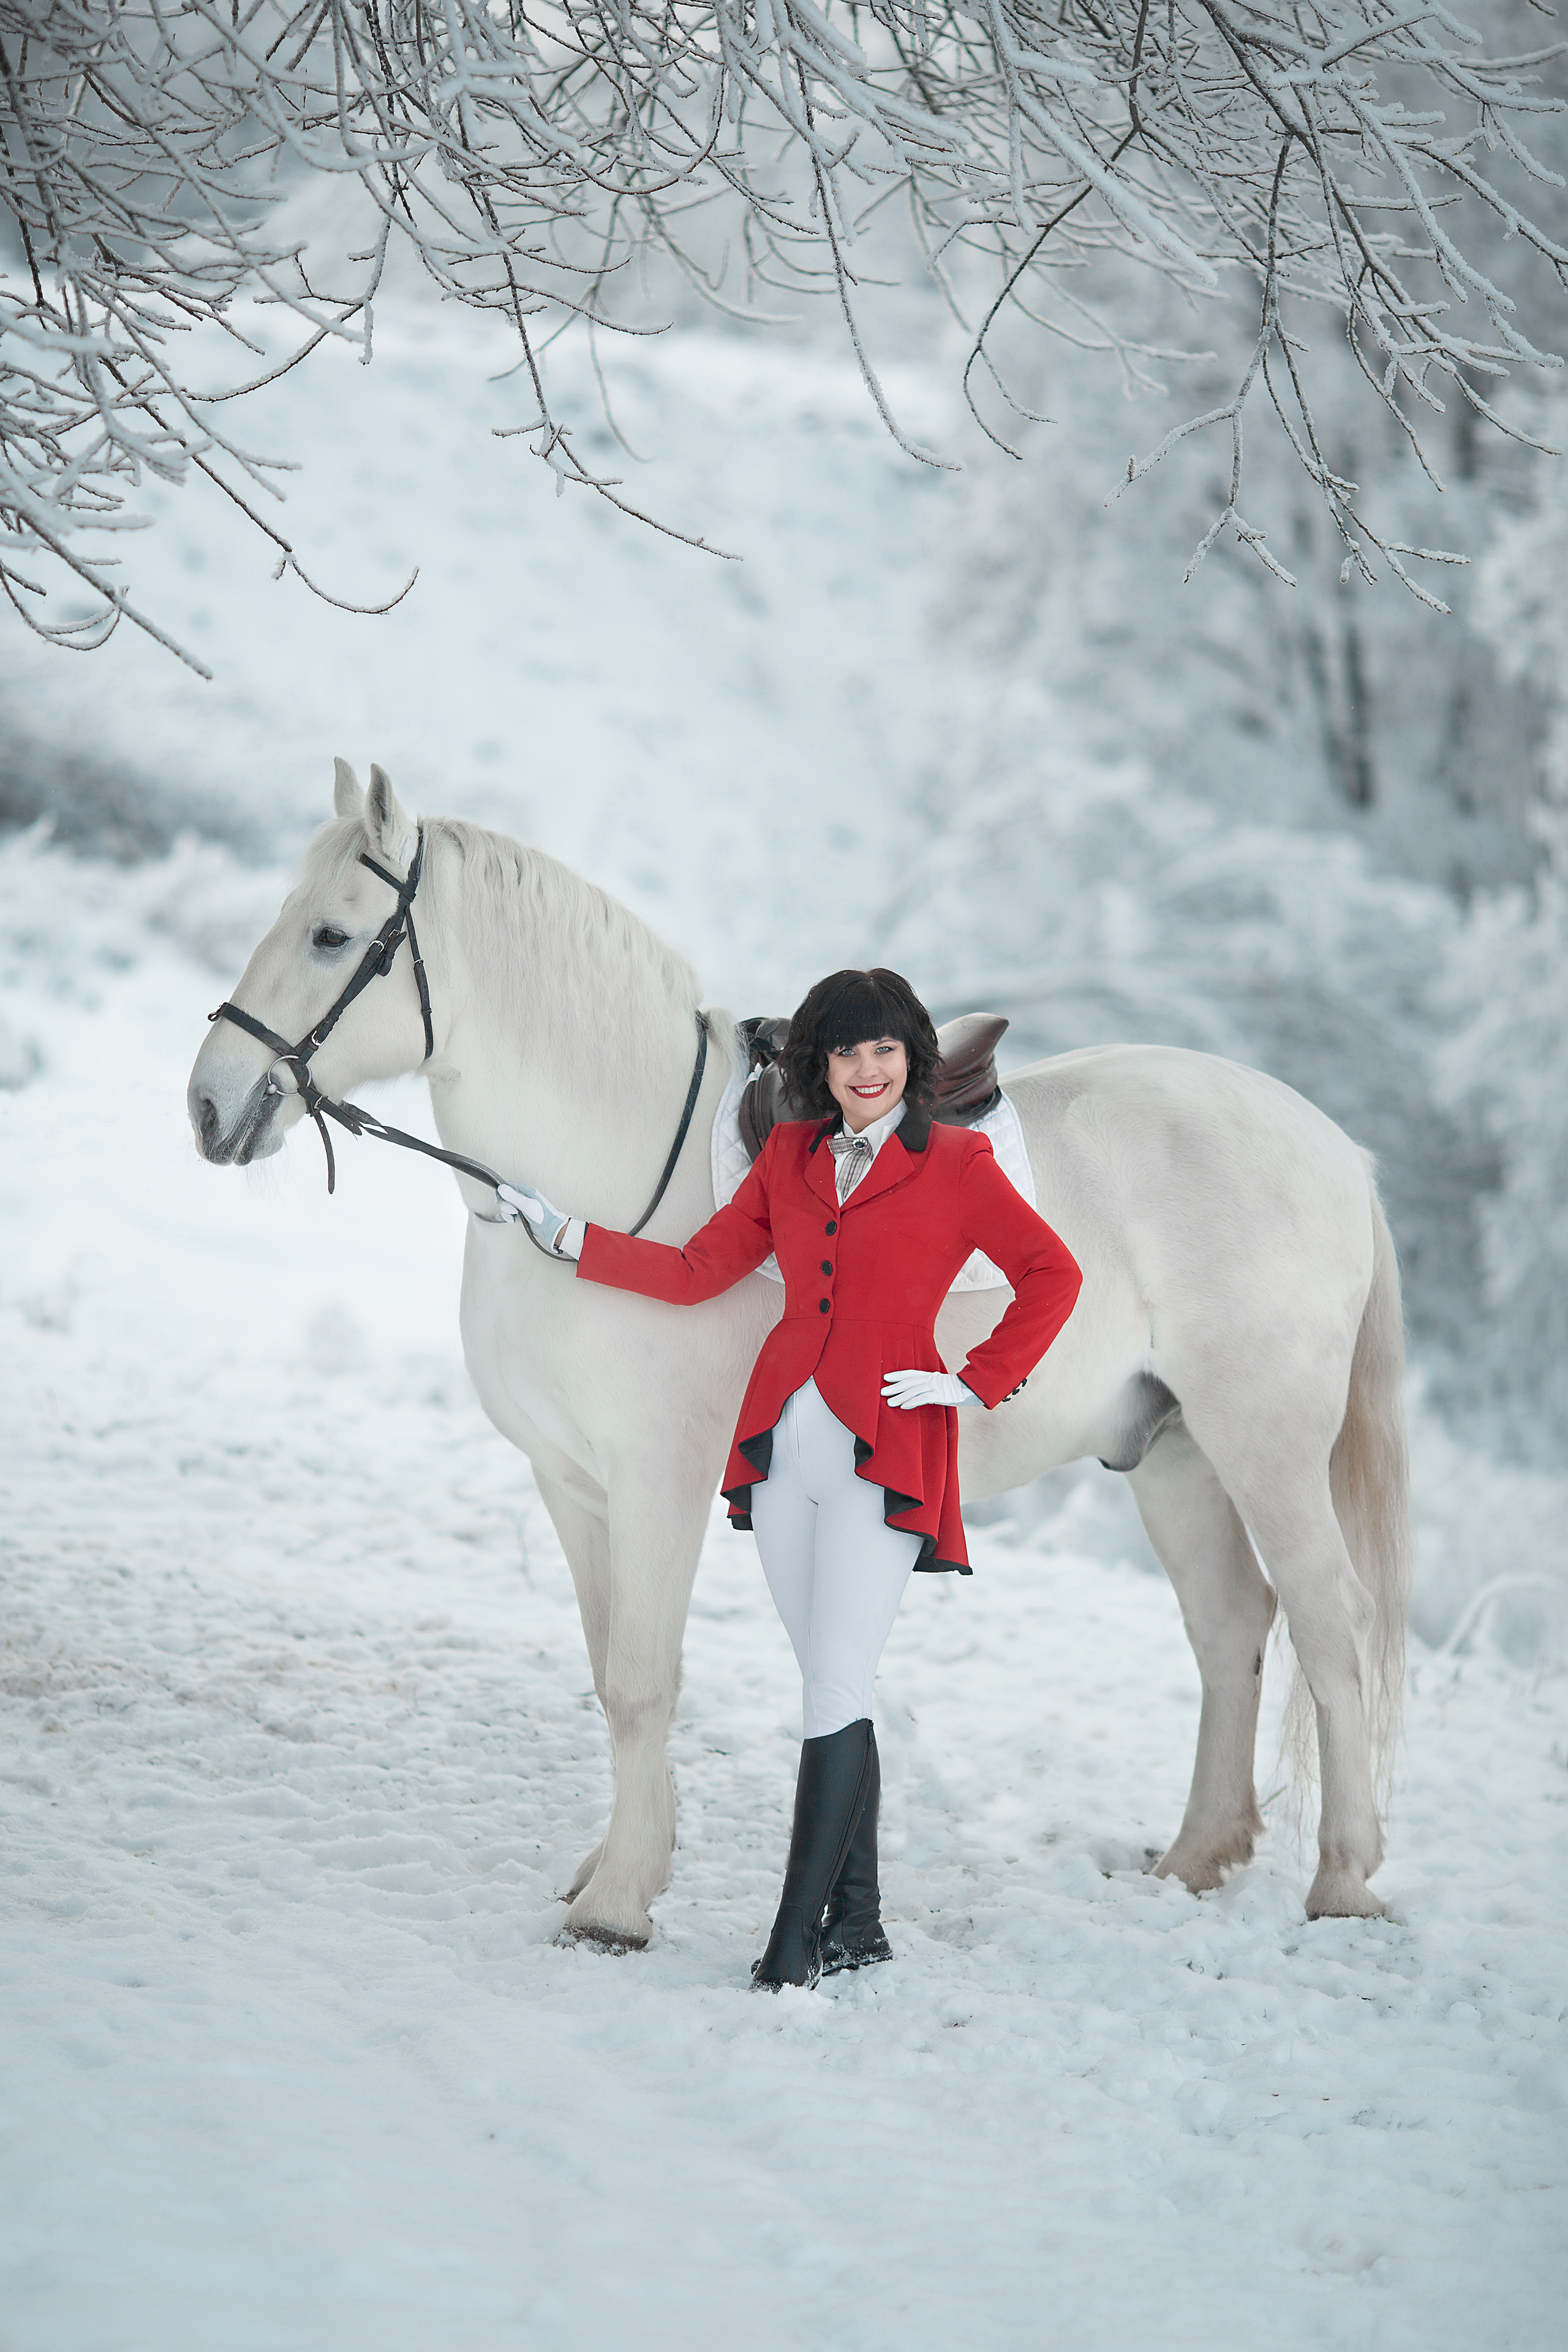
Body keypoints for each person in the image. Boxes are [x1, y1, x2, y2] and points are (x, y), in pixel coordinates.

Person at [502, 969, 1083, 1989]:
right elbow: (695, 1274)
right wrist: (568, 1238)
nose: (867, 1070)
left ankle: (793, 1941)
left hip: (885, 1447)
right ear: (821, 1064)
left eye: (885, 1051)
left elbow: (1054, 1273)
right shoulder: (788, 1155)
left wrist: (972, 1384)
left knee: (834, 1686)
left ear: (912, 1061)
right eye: (848, 1052)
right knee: (829, 1679)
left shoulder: (958, 1161)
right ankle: (857, 1923)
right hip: (778, 1442)